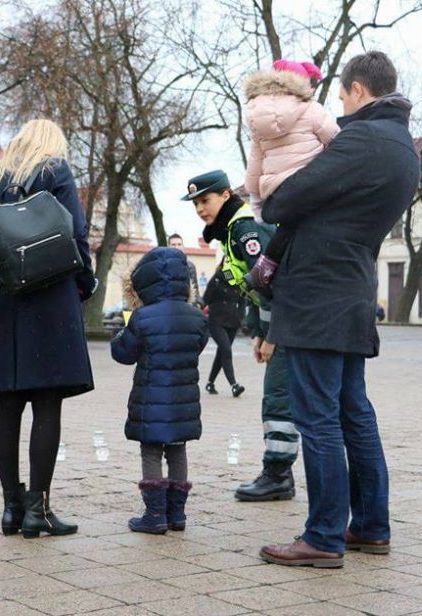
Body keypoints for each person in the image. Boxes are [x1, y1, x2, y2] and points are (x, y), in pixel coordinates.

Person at [258, 51, 420, 568]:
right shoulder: (402, 146)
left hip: (318, 295)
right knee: (354, 415)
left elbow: (283, 202)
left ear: (355, 89)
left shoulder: (362, 140)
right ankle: (371, 526)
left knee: (319, 419)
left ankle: (324, 535)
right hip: (351, 290)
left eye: (343, 95)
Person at [0, 118, 98, 539]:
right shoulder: (56, 172)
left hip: (3, 300)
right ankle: (38, 510)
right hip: (48, 298)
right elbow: (75, 233)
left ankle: (11, 507)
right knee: (47, 403)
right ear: (53, 145)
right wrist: (84, 284)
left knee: (7, 405)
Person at [185, 170, 300, 502]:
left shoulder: (245, 229)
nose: (200, 209)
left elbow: (277, 282)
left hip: (289, 326)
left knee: (278, 398)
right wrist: (257, 332)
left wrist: (272, 335)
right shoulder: (233, 230)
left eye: (205, 200)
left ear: (225, 195)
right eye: (195, 204)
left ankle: (278, 475)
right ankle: (281, 473)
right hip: (282, 325)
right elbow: (255, 288)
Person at [111, 247, 208, 534]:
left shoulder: (143, 317)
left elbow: (123, 353)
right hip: (184, 401)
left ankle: (155, 514)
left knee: (151, 452)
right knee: (178, 451)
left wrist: (122, 330)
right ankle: (177, 514)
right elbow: (198, 347)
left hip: (152, 400)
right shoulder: (196, 317)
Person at [242, 59, 339, 293]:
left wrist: (255, 197)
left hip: (276, 190)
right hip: (309, 184)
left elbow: (255, 162)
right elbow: (337, 141)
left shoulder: (256, 117)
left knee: (288, 226)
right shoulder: (311, 109)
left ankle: (264, 268)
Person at [201, 266, 245, 397]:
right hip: (216, 322)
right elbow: (205, 299)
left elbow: (242, 300)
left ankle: (210, 382)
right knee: (226, 349)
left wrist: (240, 316)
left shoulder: (239, 280)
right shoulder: (217, 280)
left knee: (222, 353)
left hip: (232, 322)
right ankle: (234, 385)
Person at [167, 233, 202, 307]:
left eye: (179, 244)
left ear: (183, 246)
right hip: (169, 305)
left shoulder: (190, 266)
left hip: (187, 306)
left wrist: (198, 304)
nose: (177, 247)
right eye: (173, 244)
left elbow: (195, 291)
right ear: (168, 247)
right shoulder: (162, 265)